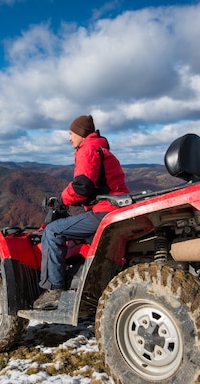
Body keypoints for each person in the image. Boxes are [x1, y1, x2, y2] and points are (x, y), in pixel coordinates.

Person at [33, 115, 129, 310]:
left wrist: (61, 200)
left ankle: (54, 291)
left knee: (53, 231)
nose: (69, 139)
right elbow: (96, 188)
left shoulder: (88, 149)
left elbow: (82, 186)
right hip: (116, 209)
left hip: (104, 213)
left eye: (71, 133)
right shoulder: (102, 150)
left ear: (81, 134)